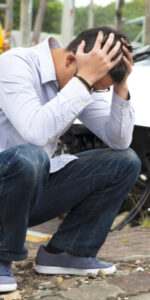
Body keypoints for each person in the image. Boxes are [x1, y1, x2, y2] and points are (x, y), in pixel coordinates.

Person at [0, 26, 141, 292]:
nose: (91, 91)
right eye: (94, 86)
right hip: (5, 181)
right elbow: (35, 132)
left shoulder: (82, 79)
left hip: (27, 191)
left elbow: (119, 141)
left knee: (124, 162)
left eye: (98, 89)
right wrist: (85, 81)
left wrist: (120, 87)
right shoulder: (14, 65)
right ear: (70, 60)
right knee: (31, 157)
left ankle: (68, 252)